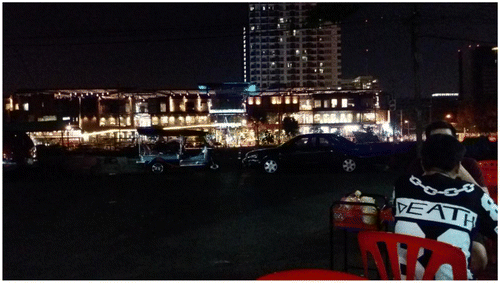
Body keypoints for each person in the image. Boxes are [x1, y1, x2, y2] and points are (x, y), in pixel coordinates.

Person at [393, 134, 497, 280]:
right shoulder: (473, 193)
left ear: (422, 163)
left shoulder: (402, 185)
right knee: (477, 248)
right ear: (458, 167)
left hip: (406, 278)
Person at [407, 120, 486, 191]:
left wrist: (462, 172)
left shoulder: (469, 164)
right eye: (436, 139)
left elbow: (486, 197)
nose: (442, 143)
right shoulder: (418, 164)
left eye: (447, 139)